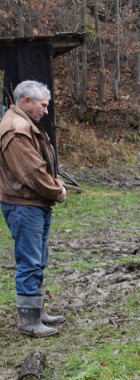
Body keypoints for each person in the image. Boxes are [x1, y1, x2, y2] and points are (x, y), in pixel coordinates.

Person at [0, 80, 67, 337]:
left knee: (38, 259)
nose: (46, 111)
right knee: (29, 261)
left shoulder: (24, 124)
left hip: (32, 202)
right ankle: (29, 321)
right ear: (27, 101)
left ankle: (36, 311)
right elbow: (32, 172)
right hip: (23, 203)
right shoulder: (16, 129)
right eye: (43, 105)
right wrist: (57, 190)